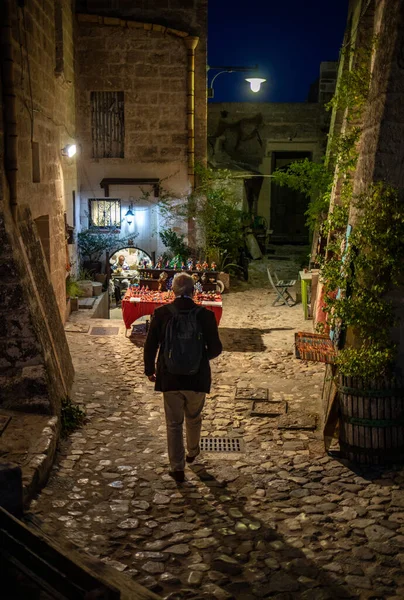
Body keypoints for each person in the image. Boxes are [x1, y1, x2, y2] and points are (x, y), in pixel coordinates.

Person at [144, 272, 222, 482]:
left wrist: (149, 369)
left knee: (173, 423)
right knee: (194, 417)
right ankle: (192, 452)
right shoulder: (205, 315)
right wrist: (198, 358)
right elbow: (216, 348)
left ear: (173, 291)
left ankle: (176, 467)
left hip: (170, 378)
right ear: (193, 291)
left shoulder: (161, 313)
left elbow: (150, 344)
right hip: (197, 378)